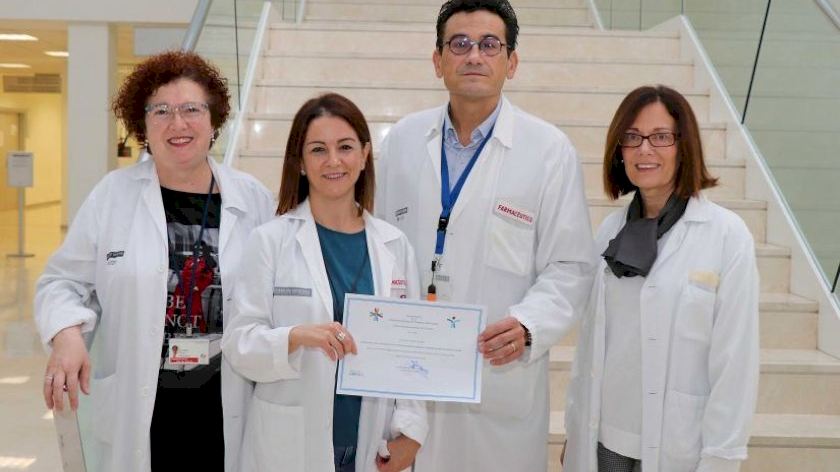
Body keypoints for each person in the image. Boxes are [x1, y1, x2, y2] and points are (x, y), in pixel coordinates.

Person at [375, 1, 595, 470]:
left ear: (511, 62)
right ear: (438, 60)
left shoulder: (549, 151)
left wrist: (529, 324)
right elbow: (376, 246)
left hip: (496, 381)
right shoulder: (401, 143)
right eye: (459, 44)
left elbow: (571, 266)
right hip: (409, 375)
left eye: (489, 44)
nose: (474, 55)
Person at [33, 51, 275, 472]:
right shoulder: (113, 196)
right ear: (142, 124)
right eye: (161, 110)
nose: (177, 123)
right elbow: (61, 281)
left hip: (227, 399)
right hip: (142, 403)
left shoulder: (253, 199)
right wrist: (67, 334)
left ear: (214, 120)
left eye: (191, 109)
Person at [221, 93, 428, 472]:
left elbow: (411, 346)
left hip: (372, 442)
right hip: (291, 443)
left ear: (365, 155)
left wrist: (412, 432)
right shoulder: (270, 241)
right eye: (318, 150)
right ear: (300, 162)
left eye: (345, 147)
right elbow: (239, 344)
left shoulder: (395, 245)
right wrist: (295, 337)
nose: (333, 160)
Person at [563, 85, 760, 471]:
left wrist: (720, 458)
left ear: (684, 147)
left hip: (680, 445)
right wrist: (575, 430)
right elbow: (590, 346)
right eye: (632, 137)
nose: (644, 149)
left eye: (661, 137)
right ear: (619, 150)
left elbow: (735, 361)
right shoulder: (610, 231)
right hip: (606, 439)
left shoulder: (726, 235)